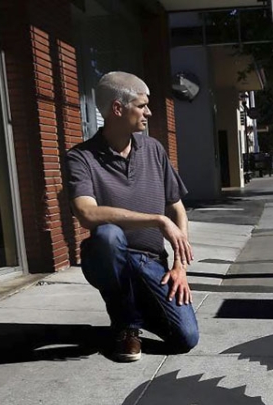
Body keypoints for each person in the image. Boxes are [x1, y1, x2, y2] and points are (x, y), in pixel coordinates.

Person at [64, 71, 199, 362]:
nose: (148, 112)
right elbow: (87, 213)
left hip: (152, 261)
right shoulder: (81, 157)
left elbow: (176, 208)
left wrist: (179, 266)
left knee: (186, 337)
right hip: (110, 257)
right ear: (117, 108)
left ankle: (137, 309)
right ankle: (127, 327)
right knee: (108, 236)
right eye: (141, 105)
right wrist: (157, 220)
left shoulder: (154, 150)